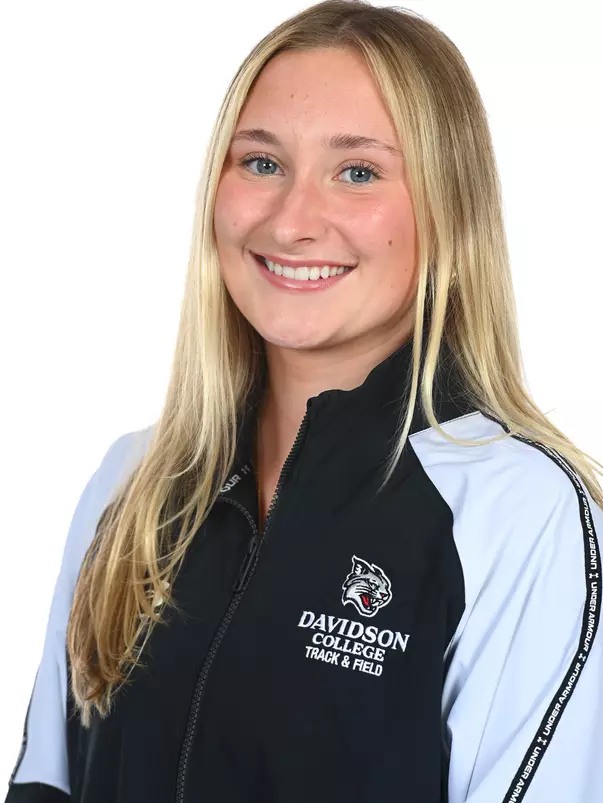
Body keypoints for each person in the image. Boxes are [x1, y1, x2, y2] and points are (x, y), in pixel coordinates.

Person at [5, 1, 603, 801]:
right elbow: (46, 784)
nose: (292, 221)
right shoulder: (134, 484)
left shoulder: (521, 513)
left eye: (357, 171)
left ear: (447, 210)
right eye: (260, 163)